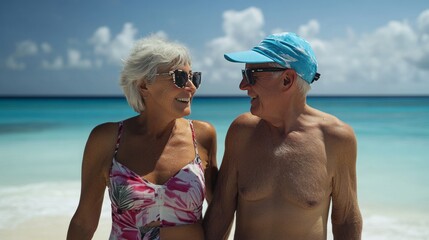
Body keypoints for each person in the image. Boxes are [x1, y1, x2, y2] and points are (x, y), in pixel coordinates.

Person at [204, 32, 362, 240]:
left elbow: (346, 220)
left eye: (251, 75)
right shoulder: (242, 131)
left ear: (287, 79)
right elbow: (220, 211)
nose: (243, 85)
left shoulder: (336, 138)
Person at [67, 35, 217, 240]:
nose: (191, 86)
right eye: (180, 77)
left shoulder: (202, 136)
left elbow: (220, 213)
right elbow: (84, 222)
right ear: (144, 85)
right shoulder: (107, 139)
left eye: (194, 77)